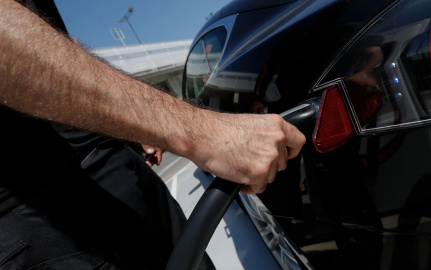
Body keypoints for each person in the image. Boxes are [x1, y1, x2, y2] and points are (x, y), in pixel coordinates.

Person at [0, 0, 306, 269]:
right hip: (39, 217)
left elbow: (59, 52)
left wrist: (133, 131)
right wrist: (201, 131)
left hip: (108, 165)